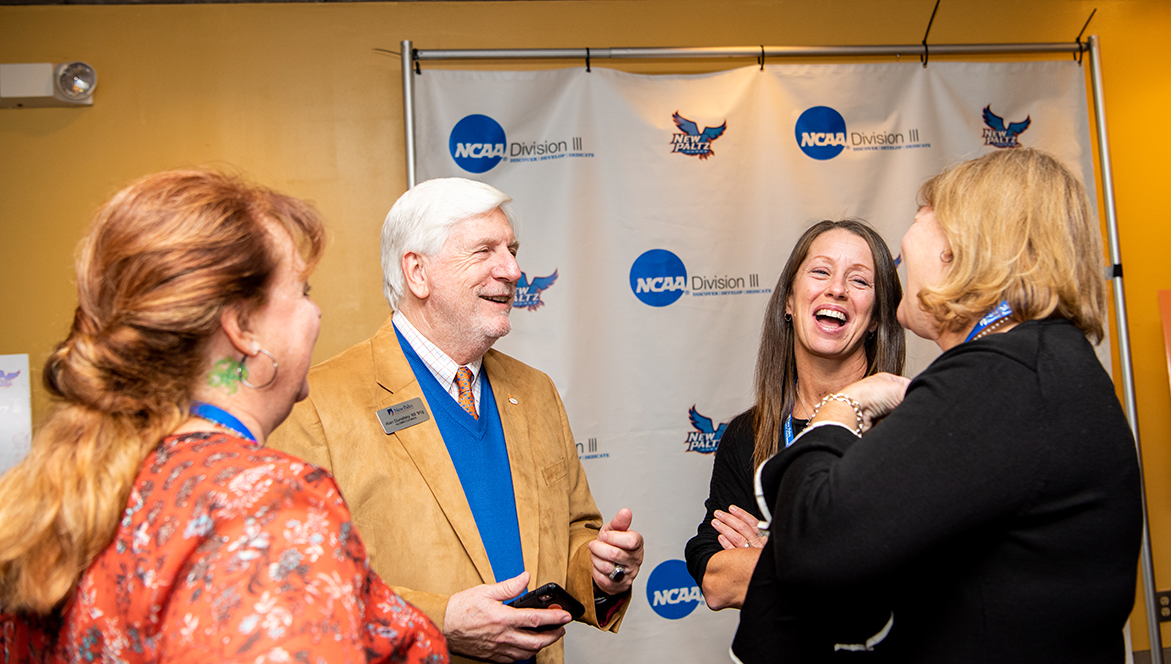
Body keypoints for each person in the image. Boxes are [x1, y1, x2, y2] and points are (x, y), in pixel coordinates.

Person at [0, 170, 448, 663]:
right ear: (242, 327)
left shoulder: (59, 495)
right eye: (303, 291)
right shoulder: (267, 505)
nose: (316, 314)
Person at [733, 148, 1143, 663]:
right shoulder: (1037, 364)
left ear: (962, 246)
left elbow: (817, 542)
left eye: (922, 215)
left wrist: (841, 407)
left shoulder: (1000, 378)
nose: (903, 245)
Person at [268, 177, 644, 664]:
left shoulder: (537, 392)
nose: (512, 270)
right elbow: (297, 587)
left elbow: (574, 531)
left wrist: (600, 570)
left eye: (511, 249)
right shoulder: (316, 405)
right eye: (485, 250)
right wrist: (438, 621)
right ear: (418, 273)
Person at [685, 219, 905, 611]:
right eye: (821, 271)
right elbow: (716, 581)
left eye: (859, 281)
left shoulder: (908, 426)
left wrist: (774, 547)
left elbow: (896, 573)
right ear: (789, 301)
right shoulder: (748, 433)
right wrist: (825, 558)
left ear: (875, 319)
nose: (836, 289)